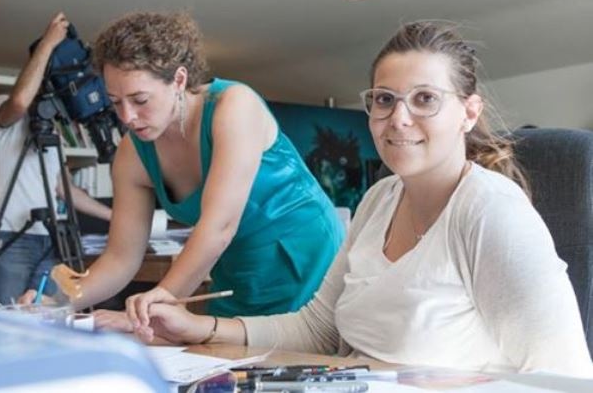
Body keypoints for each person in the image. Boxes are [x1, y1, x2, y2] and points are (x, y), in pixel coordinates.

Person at [126, 21, 592, 377]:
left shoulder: (490, 210)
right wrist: (198, 326)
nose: (399, 118)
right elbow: (317, 328)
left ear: (468, 113)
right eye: (385, 100)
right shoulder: (380, 199)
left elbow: (566, 375)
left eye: (425, 99)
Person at [46, 11, 344, 319]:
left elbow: (219, 227)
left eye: (140, 100)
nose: (127, 117)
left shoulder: (234, 106)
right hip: (237, 268)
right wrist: (52, 306)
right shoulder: (132, 154)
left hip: (307, 258)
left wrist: (153, 308)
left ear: (179, 79)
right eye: (115, 102)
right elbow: (120, 258)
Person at [0, 12, 112, 305]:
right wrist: (48, 43)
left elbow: (63, 187)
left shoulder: (50, 127)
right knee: (7, 322)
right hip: (11, 236)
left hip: (53, 236)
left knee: (49, 318)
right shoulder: (3, 107)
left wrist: (113, 216)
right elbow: (20, 102)